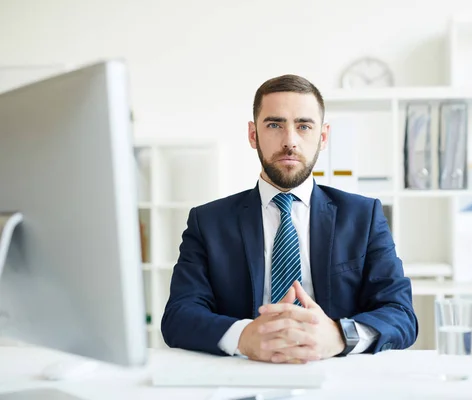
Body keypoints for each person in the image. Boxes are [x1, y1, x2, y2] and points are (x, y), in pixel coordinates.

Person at [161, 74, 418, 364]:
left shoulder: (364, 216)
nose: (290, 141)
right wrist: (244, 336)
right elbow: (178, 316)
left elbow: (400, 314)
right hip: (243, 374)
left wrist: (339, 335)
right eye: (274, 125)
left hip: (337, 377)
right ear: (252, 134)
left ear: (323, 137)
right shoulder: (207, 222)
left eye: (304, 126)